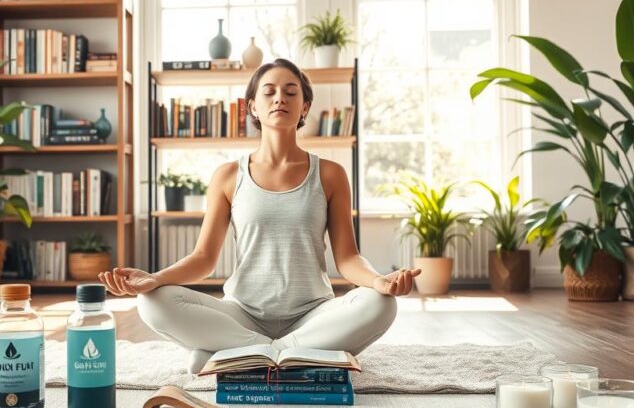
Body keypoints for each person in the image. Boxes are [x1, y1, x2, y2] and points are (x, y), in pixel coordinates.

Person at [99, 58, 420, 374]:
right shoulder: (227, 176)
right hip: (242, 313)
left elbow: (348, 258)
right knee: (151, 302)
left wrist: (379, 281)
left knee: (381, 304)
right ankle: (290, 354)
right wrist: (155, 279)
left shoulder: (331, 174)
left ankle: (241, 355)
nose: (280, 97)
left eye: (291, 92)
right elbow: (203, 258)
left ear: (305, 107)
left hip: (314, 312)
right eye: (269, 91)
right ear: (252, 107)